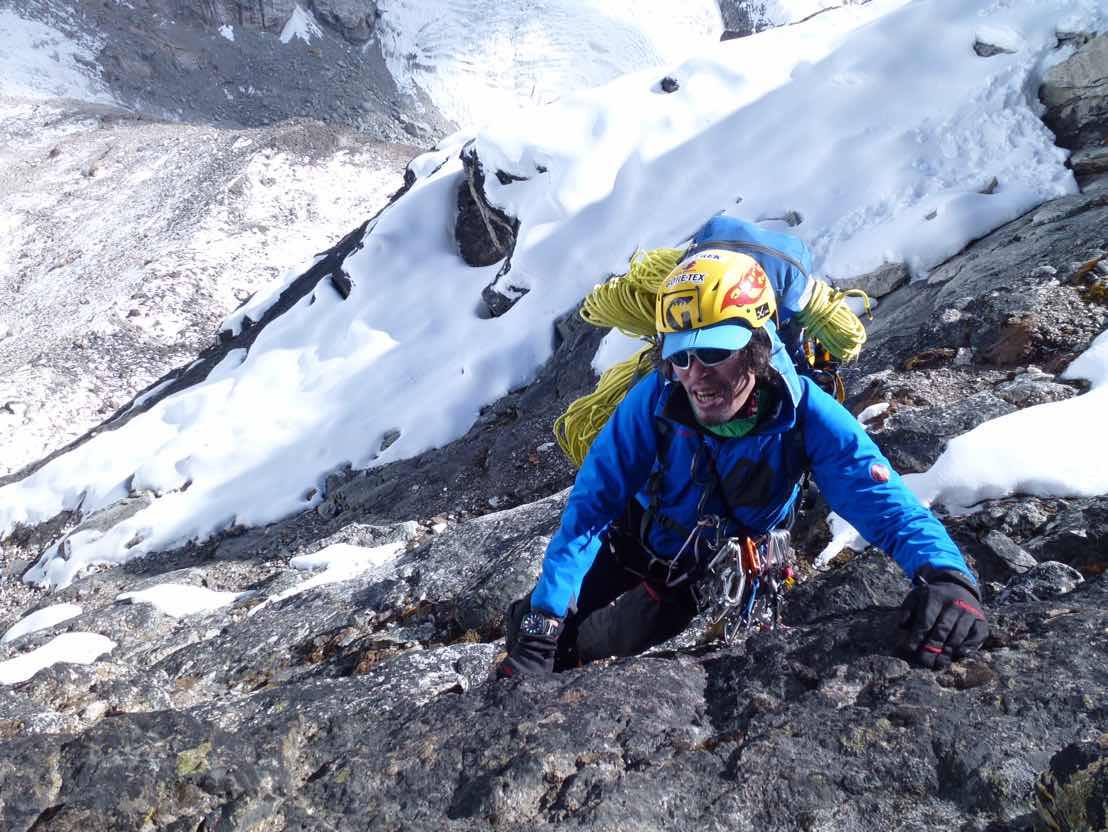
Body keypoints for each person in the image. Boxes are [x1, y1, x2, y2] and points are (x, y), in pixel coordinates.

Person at [497, 247, 987, 678]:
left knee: (607, 643)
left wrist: (947, 575)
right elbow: (593, 505)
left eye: (714, 352)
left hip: (703, 574)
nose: (695, 377)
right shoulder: (654, 400)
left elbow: (882, 502)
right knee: (542, 628)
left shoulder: (807, 415)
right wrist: (542, 622)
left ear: (758, 346)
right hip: (632, 540)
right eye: (680, 357)